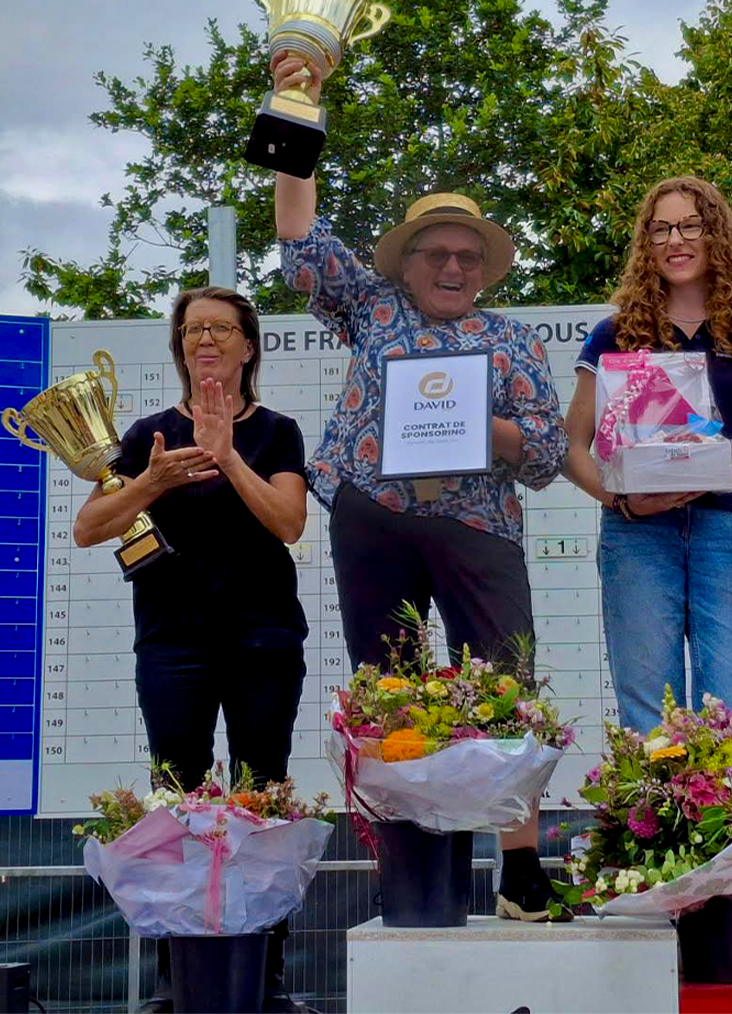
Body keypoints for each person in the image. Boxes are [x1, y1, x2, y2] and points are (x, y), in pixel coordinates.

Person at [272, 54, 569, 923]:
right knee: (388, 690)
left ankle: (520, 871)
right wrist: (297, 105)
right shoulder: (370, 306)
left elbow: (546, 455)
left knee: (505, 686)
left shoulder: (512, 342)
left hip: (479, 528)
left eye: (468, 256)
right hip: (376, 519)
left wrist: (479, 425)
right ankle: (410, 869)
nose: (452, 265)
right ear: (405, 264)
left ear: (486, 270)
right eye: (436, 252)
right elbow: (298, 235)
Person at [73, 286, 309, 1014]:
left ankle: (265, 974)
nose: (205, 339)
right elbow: (89, 528)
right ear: (180, 347)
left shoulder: (277, 431)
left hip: (264, 637)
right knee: (175, 799)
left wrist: (227, 458)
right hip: (172, 641)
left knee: (262, 795)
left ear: (248, 346)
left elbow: (289, 522)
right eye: (192, 329)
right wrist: (153, 479)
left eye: (220, 329)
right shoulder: (148, 432)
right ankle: (178, 980)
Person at [563, 175, 732, 732]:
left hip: (730, 530)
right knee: (649, 716)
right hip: (638, 535)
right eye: (660, 230)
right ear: (646, 243)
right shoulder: (614, 334)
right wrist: (622, 503)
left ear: (716, 235)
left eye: (690, 226)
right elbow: (570, 447)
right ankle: (650, 797)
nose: (675, 240)